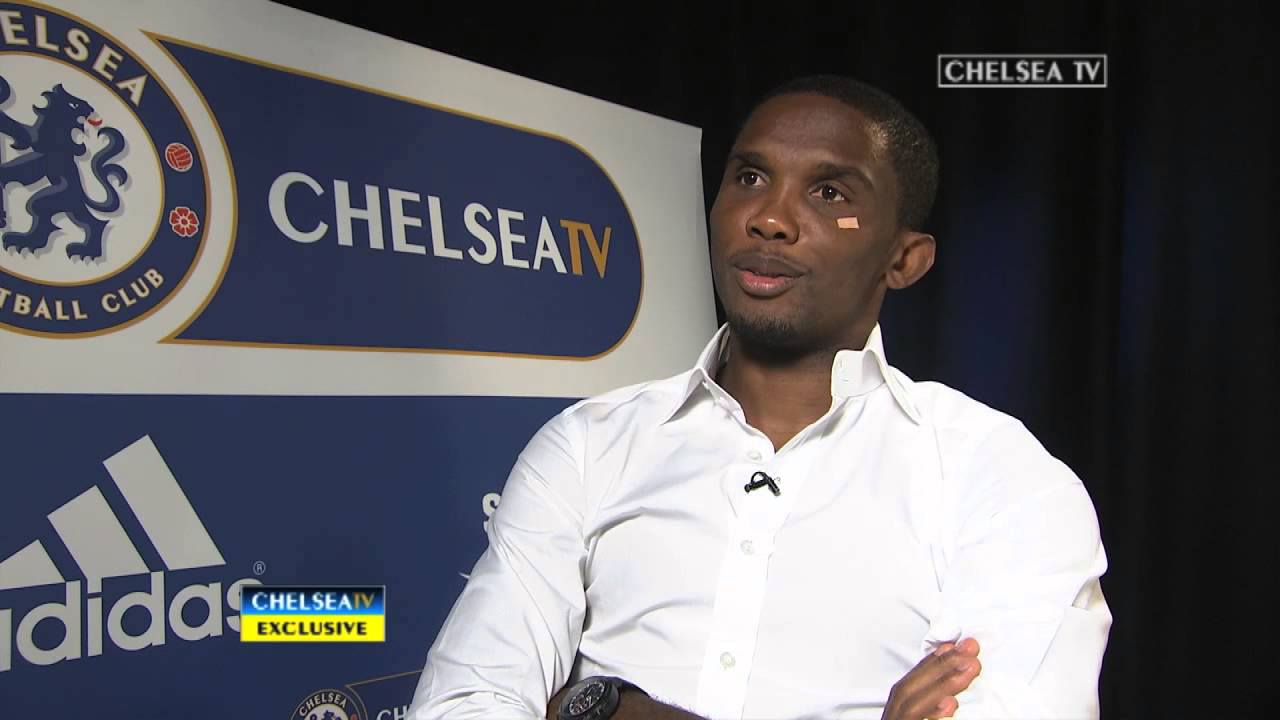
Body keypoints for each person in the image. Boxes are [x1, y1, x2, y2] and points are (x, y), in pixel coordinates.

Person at [408, 74, 1111, 720]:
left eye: (829, 194)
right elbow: (461, 705)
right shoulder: (588, 446)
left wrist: (611, 711)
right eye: (750, 177)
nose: (770, 219)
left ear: (904, 259)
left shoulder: (998, 475)